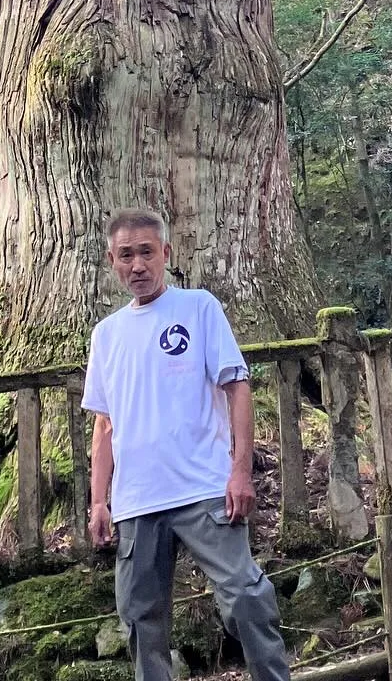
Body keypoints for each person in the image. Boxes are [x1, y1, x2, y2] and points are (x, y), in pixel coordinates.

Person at [81, 208, 291, 681]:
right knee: (140, 621)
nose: (137, 265)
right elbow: (104, 425)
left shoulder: (198, 308)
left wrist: (240, 470)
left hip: (204, 487)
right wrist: (99, 501)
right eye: (126, 255)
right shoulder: (106, 336)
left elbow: (236, 385)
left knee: (244, 596)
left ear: (166, 254)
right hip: (137, 501)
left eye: (147, 253)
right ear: (111, 260)